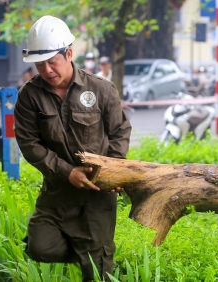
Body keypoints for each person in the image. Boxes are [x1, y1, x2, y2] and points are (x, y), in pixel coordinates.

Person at [14, 15, 132, 282]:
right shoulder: (29, 96)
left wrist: (112, 170)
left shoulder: (101, 90)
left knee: (97, 270)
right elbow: (29, 143)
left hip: (96, 194)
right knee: (39, 247)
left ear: (68, 54)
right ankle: (89, 250)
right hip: (57, 192)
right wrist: (67, 172)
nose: (46, 71)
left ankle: (97, 253)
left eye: (52, 62)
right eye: (39, 65)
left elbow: (120, 131)